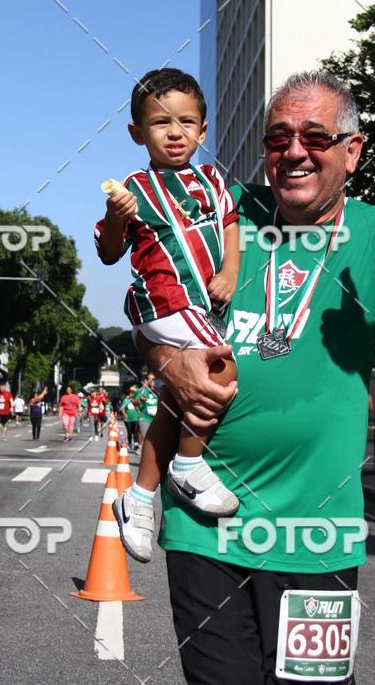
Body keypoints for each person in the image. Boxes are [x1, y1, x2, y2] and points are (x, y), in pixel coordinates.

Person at [135, 70, 375, 683]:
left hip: (317, 538)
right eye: (278, 139)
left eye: (315, 137)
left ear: (353, 152)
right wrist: (170, 363)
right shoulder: (226, 213)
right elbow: (149, 306)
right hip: (205, 534)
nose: (294, 152)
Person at [95, 68, 241, 563]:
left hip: (204, 301)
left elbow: (231, 224)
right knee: (221, 369)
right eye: (160, 123)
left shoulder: (213, 178)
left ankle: (136, 500)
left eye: (186, 122)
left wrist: (230, 270)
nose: (175, 132)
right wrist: (117, 216)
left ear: (203, 129)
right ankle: (187, 464)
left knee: (175, 402)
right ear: (138, 133)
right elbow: (110, 253)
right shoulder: (133, 188)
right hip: (164, 300)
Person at [119, 385, 140, 451]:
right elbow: (122, 409)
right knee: (129, 431)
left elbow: (138, 408)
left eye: (133, 393)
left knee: (135, 431)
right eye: (131, 393)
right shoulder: (126, 400)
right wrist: (125, 414)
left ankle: (136, 444)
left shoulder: (135, 400)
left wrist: (139, 413)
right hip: (128, 419)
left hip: (135, 418)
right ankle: (130, 444)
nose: (132, 394)